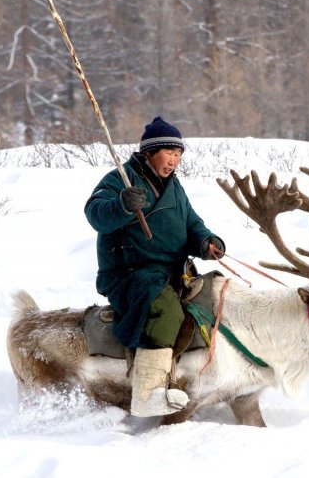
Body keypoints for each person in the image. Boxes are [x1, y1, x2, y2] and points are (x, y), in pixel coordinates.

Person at [84, 115, 225, 417]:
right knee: (166, 308)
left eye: (178, 154)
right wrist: (121, 204)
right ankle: (147, 393)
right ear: (149, 152)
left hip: (172, 272)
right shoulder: (119, 179)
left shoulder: (175, 188)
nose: (174, 160)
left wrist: (205, 242)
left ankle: (185, 378)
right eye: (169, 153)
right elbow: (95, 213)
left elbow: (192, 224)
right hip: (130, 274)